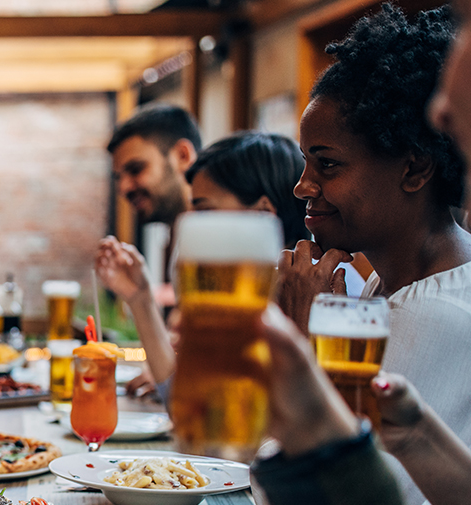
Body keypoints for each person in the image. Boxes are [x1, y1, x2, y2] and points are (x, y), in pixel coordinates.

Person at [276, 4, 471, 444]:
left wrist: (300, 339)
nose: (302, 187)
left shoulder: (435, 316)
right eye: (306, 163)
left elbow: (342, 503)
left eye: (327, 164)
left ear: (414, 170)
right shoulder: (389, 284)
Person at [96, 131, 307, 388]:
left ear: (262, 214)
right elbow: (185, 397)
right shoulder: (236, 299)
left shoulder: (309, 300)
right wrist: (140, 298)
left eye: (204, 209)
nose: (190, 223)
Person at [107, 103, 202, 288]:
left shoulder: (217, 240)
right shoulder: (179, 233)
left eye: (136, 169)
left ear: (182, 156)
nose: (123, 188)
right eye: (118, 177)